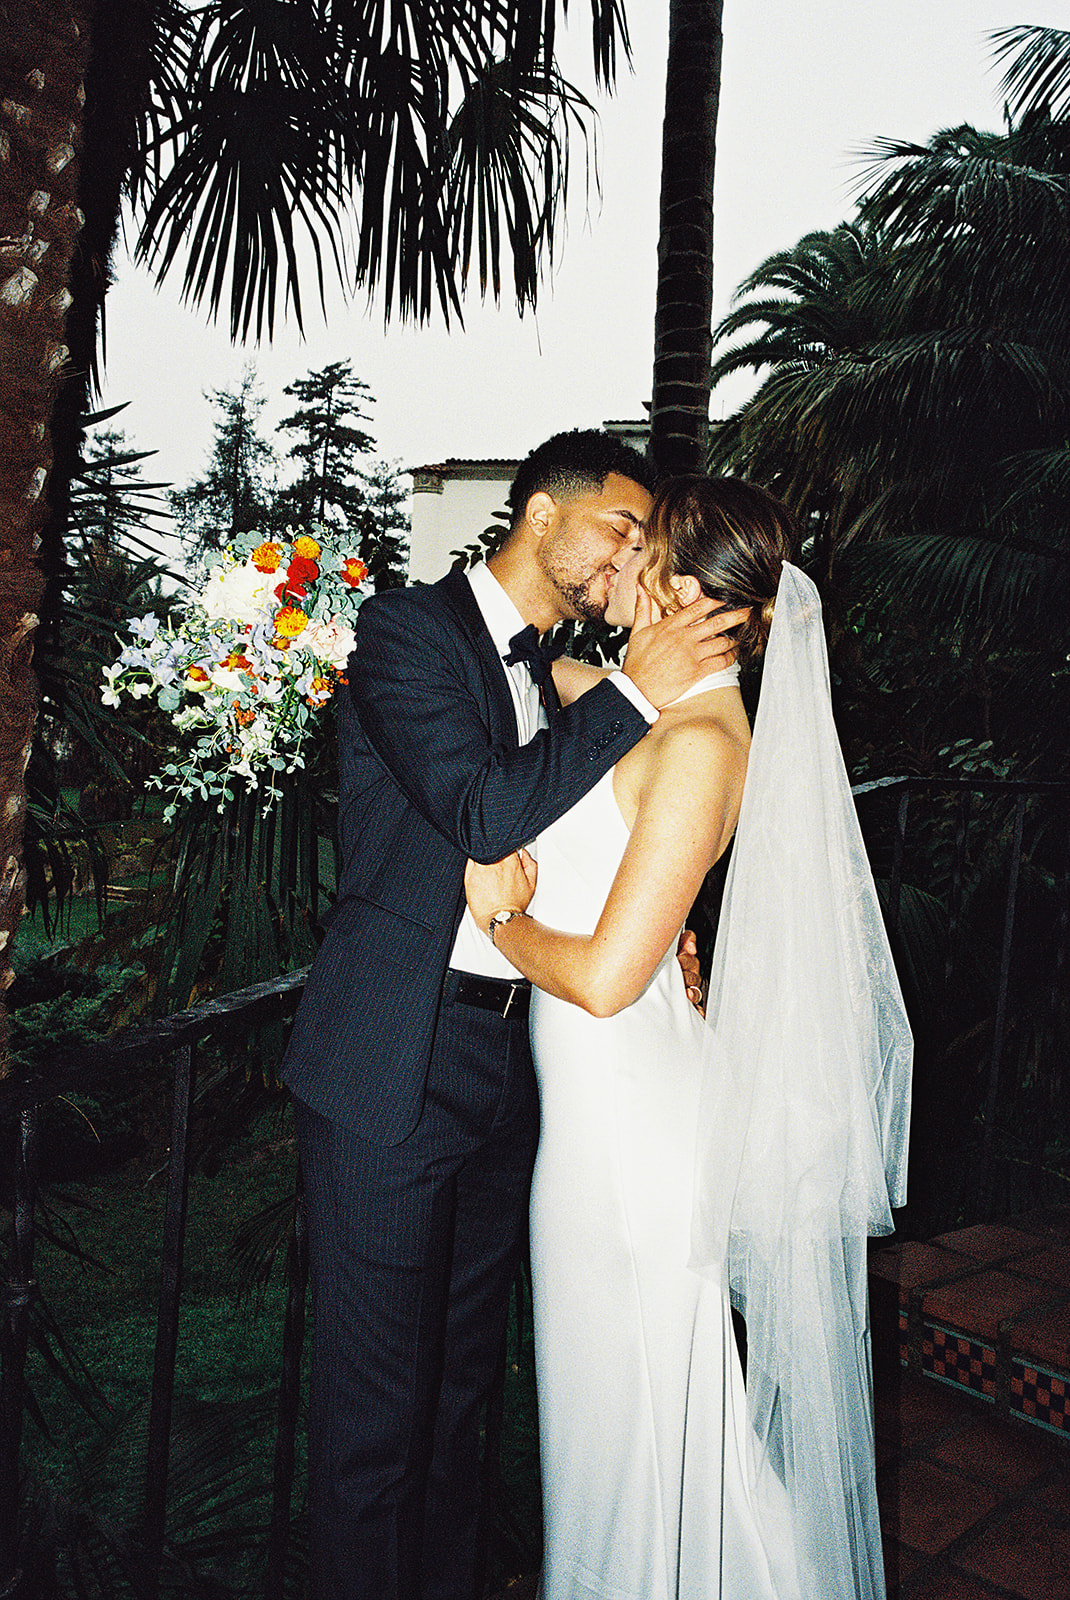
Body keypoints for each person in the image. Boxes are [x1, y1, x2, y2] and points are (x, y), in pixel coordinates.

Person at [281, 432, 744, 1600]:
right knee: (372, 1424)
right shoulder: (403, 635)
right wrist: (640, 688)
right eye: (622, 533)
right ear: (541, 514)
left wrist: (664, 922)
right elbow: (484, 811)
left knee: (456, 1400)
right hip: (395, 1062)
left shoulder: (557, 673)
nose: (632, 562)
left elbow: (612, 830)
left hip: (518, 1074)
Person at [464, 476, 913, 1600]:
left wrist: (499, 916)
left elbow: (610, 980)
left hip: (624, 1137)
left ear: (683, 588)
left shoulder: (704, 742)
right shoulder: (653, 710)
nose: (615, 562)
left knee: (630, 1434)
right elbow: (538, 678)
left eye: (639, 544)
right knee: (639, 1425)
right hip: (611, 1112)